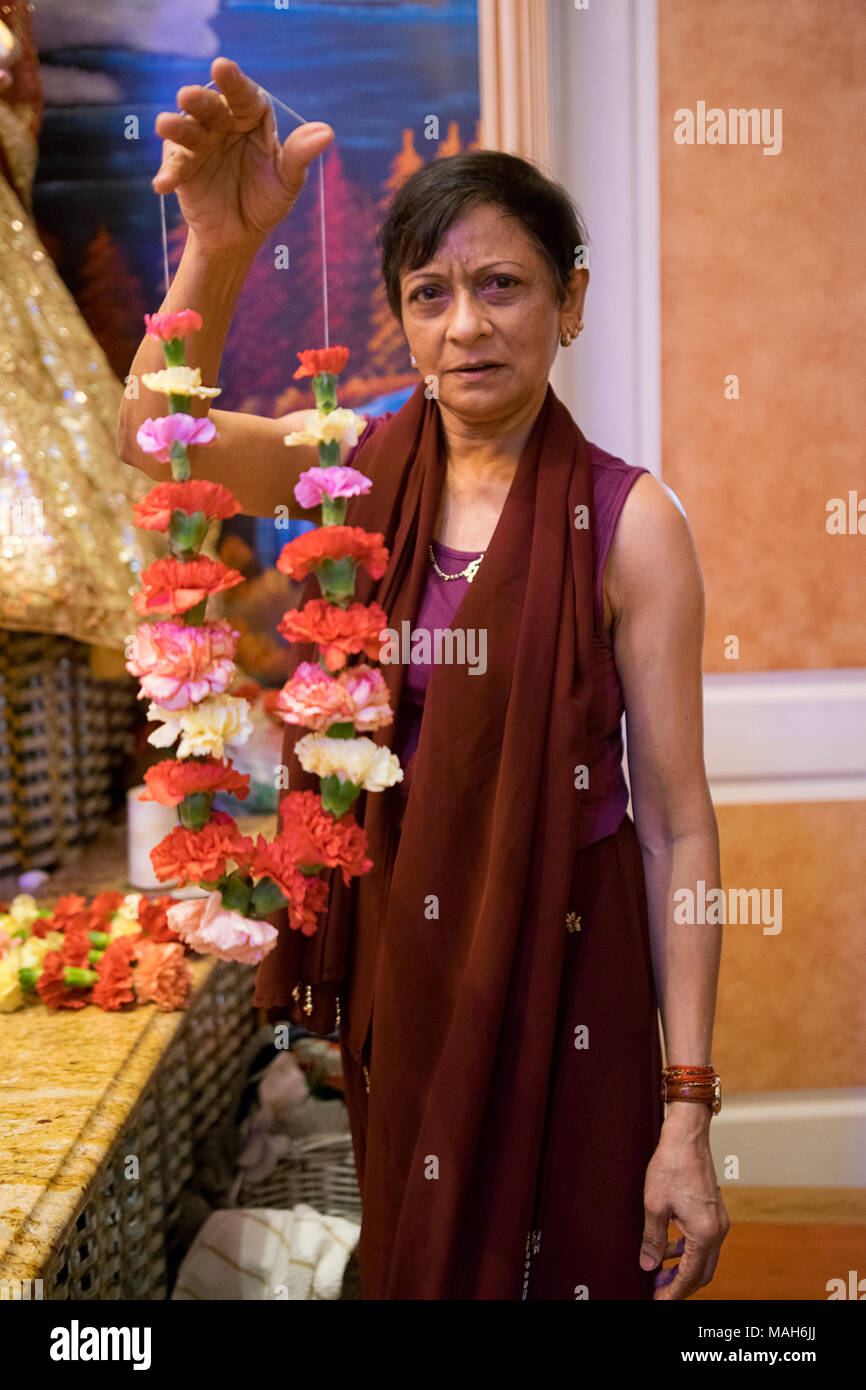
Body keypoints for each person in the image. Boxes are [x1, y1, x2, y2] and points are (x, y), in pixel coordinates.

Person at [117, 57, 730, 1301]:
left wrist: (686, 1112)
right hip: (410, 981)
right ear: (401, 315)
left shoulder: (630, 521)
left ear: (570, 302)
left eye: (503, 286)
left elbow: (675, 824)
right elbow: (150, 439)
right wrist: (221, 242)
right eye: (430, 293)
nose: (465, 325)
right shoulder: (353, 470)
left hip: (576, 988)